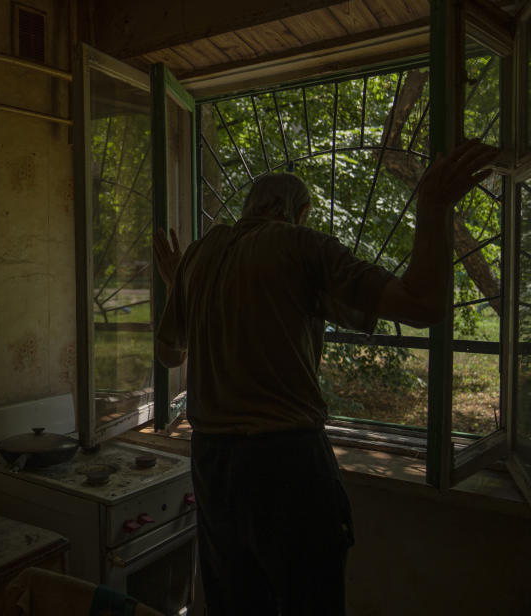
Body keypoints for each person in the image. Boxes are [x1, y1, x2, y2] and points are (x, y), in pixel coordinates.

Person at [152, 139, 498, 616]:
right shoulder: (299, 245)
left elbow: (169, 355)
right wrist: (433, 205)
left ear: (249, 207)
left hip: (212, 464)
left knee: (234, 602)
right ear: (302, 212)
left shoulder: (200, 256)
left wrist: (182, 285)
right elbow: (423, 304)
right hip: (286, 461)